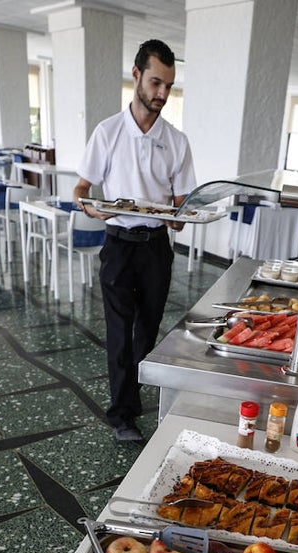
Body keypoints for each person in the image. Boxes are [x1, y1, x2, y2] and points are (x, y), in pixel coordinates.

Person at [74, 39, 197, 443]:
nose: (162, 94)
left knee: (147, 331)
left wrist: (180, 218)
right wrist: (93, 208)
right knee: (118, 330)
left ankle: (134, 397)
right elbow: (82, 190)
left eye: (169, 86)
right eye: (156, 83)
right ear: (137, 75)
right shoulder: (108, 132)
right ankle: (121, 414)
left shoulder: (176, 141)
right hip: (119, 243)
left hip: (156, 248)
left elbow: (181, 203)